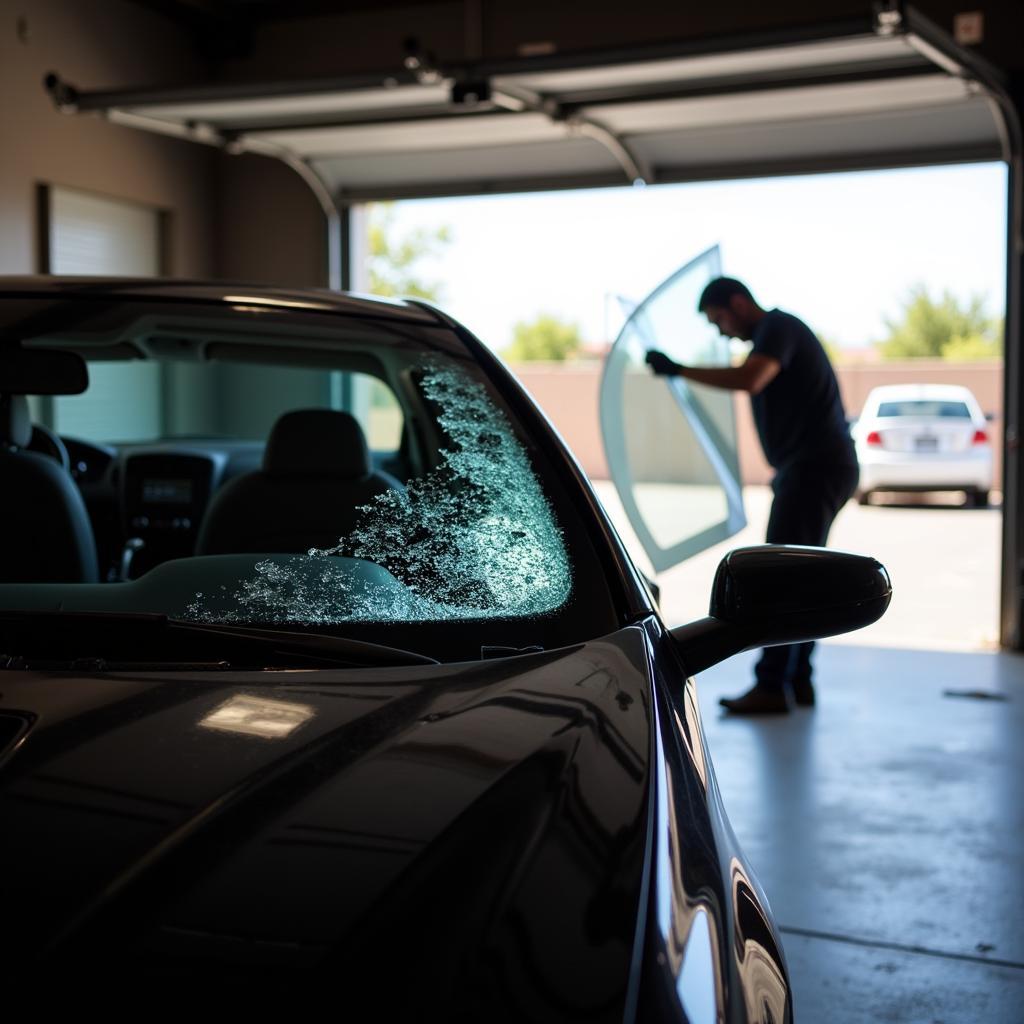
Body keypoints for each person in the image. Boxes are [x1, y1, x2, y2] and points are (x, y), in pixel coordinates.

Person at [646, 277, 858, 714]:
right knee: (804, 578)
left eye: (719, 319)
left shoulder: (776, 329)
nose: (721, 332)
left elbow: (751, 378)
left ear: (738, 303)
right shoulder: (774, 333)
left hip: (813, 468)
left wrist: (678, 369)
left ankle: (771, 686)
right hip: (815, 467)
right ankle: (796, 680)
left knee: (781, 578)